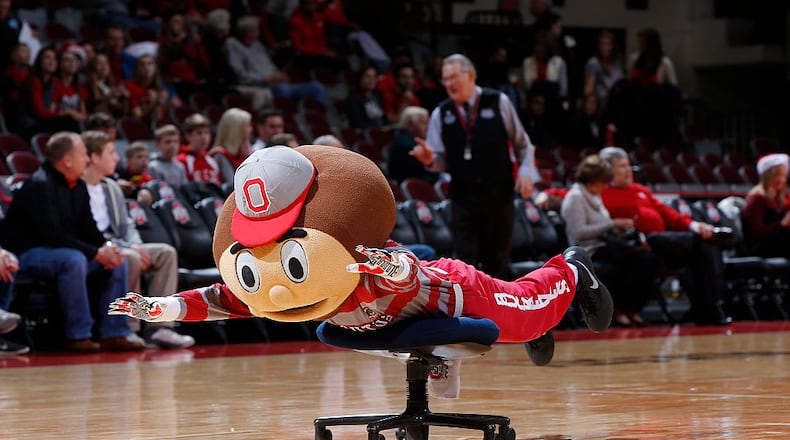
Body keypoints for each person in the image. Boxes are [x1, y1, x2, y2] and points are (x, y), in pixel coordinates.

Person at [109, 145, 615, 369]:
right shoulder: (290, 273)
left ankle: (572, 267)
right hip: (398, 316)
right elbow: (225, 298)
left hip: (458, 295)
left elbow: (406, 272)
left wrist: (389, 265)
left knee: (524, 317)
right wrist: (163, 308)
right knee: (522, 318)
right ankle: (544, 309)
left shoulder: (352, 258)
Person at [0, 131, 143, 352]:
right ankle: (78, 335)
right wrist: (95, 253)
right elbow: (53, 235)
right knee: (74, 259)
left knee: (118, 259)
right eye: (83, 154)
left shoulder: (78, 185)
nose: (87, 159)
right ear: (67, 161)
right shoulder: (40, 185)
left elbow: (89, 228)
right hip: (27, 253)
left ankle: (115, 332)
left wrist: (106, 248)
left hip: (64, 249)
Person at [418, 53, 540, 279]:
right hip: (463, 200)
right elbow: (440, 161)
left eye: (454, 77)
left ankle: (498, 315)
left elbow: (523, 144)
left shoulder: (498, 102)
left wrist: (525, 173)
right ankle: (467, 315)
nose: (449, 83)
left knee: (497, 265)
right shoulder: (441, 113)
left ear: (471, 75)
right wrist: (430, 160)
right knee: (463, 267)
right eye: (445, 79)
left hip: (499, 196)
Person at [81, 130, 194, 349]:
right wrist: (127, 247)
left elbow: (126, 225)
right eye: (111, 152)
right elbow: (90, 232)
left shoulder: (110, 186)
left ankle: (160, 327)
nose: (117, 158)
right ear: (94, 157)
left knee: (165, 253)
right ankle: (128, 328)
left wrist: (136, 244)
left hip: (123, 243)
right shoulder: (78, 188)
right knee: (130, 257)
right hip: (102, 247)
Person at [598, 146, 732, 326]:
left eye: (629, 165)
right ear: (607, 170)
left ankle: (708, 306)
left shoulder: (641, 190)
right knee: (659, 246)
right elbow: (566, 194)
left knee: (704, 243)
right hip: (633, 245)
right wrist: (547, 197)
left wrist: (695, 225)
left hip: (663, 247)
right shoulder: (600, 192)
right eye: (622, 166)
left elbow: (668, 213)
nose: (628, 170)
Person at [560, 154, 657, 327]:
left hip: (604, 246)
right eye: (604, 182)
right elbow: (577, 233)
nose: (606, 186)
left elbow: (604, 227)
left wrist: (620, 228)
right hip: (586, 252)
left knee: (647, 258)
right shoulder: (575, 197)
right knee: (635, 262)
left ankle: (630, 308)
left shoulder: (595, 195)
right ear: (593, 180)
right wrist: (611, 223)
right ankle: (619, 309)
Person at [225, 15, 326, 106]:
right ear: (247, 31)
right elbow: (240, 74)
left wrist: (279, 75)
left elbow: (271, 66)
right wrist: (264, 79)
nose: (258, 32)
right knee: (283, 89)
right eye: (255, 29)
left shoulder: (258, 45)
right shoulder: (233, 45)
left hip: (276, 82)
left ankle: (320, 120)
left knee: (316, 87)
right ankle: (284, 120)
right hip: (260, 85)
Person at [742, 153, 790, 257]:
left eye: (784, 175)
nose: (782, 180)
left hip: (779, 243)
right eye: (778, 175)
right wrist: (782, 224)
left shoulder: (780, 198)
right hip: (764, 247)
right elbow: (756, 232)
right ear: (768, 176)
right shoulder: (757, 198)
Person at [387, 106, 442, 184]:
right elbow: (429, 173)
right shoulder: (404, 144)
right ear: (410, 125)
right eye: (423, 123)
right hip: (416, 184)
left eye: (428, 122)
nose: (428, 127)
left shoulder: (412, 139)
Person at [209, 108, 254, 183]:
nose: (251, 129)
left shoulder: (243, 152)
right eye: (248, 126)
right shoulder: (220, 154)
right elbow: (232, 184)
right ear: (237, 129)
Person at [177, 113, 222, 185]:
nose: (204, 137)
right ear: (188, 136)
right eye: (199, 133)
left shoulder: (211, 160)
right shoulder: (182, 160)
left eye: (207, 133)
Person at [584, 30, 623, 109]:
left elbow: (621, 85)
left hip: (616, 106)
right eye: (602, 44)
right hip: (601, 106)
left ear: (613, 46)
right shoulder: (593, 63)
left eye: (608, 44)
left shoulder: (617, 63)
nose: (604, 48)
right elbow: (589, 88)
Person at [345, 65, 386, 130]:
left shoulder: (377, 97)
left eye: (374, 76)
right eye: (368, 76)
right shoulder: (354, 100)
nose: (372, 80)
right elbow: (358, 125)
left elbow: (383, 118)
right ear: (360, 79)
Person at [148, 124, 188, 189]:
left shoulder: (180, 167)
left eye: (175, 142)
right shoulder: (152, 166)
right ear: (158, 145)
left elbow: (184, 189)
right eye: (168, 142)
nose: (172, 145)